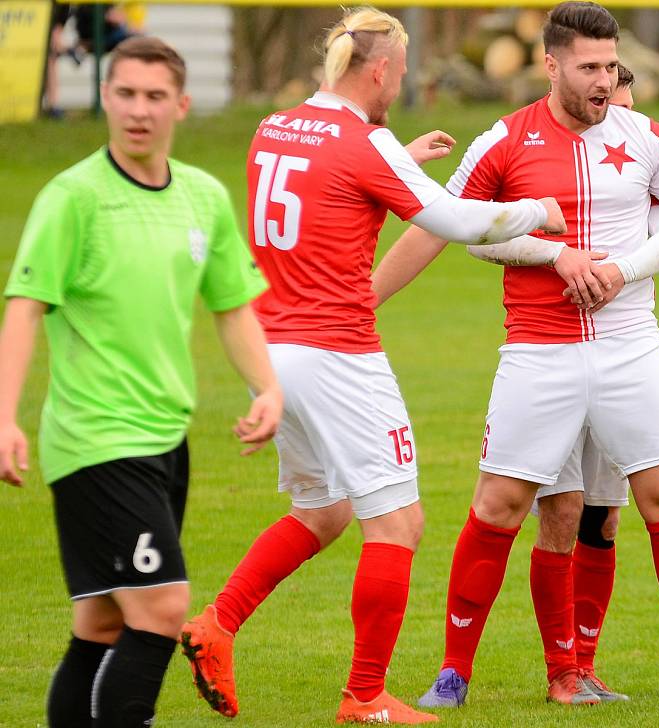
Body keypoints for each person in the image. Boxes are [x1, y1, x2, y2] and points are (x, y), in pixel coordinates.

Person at [372, 0, 659, 711]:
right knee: (500, 505)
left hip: (633, 350)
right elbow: (435, 228)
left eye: (610, 65)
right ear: (551, 64)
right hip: (539, 352)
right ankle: (452, 675)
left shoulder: (648, 138)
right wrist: (361, 304)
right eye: (589, 67)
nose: (604, 80)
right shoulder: (502, 141)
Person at [178, 6, 565, 725]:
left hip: (272, 352)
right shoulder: (366, 142)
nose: (403, 83)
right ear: (381, 71)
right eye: (403, 72)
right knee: (399, 524)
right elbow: (461, 222)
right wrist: (539, 207)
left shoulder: (276, 127)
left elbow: (325, 185)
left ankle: (218, 625)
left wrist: (398, 161)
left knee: (323, 511)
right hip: (338, 353)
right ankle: (364, 695)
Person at [0, 36, 283, 728]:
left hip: (165, 439)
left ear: (180, 105)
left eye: (155, 96)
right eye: (125, 93)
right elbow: (25, 307)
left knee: (101, 623)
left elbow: (231, 305)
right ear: (104, 99)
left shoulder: (203, 197)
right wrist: (4, 416)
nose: (138, 110)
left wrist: (267, 388)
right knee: (162, 608)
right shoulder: (73, 198)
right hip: (96, 440)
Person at [464, 62, 659, 702]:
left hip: (625, 358)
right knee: (555, 509)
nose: (617, 109)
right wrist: (553, 253)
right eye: (607, 91)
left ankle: (583, 666)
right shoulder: (531, 147)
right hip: (548, 357)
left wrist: (618, 270)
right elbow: (468, 228)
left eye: (623, 94)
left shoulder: (643, 160)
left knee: (605, 516)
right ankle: (537, 668)